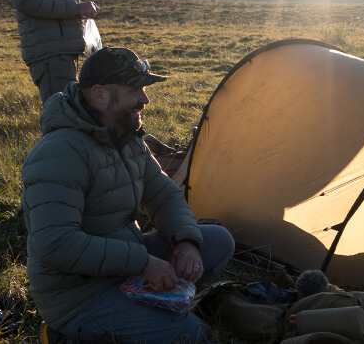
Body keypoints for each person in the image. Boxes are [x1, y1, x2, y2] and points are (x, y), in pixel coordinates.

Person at [21, 47, 234, 342]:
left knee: (217, 242)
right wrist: (143, 263)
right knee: (192, 337)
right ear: (100, 95)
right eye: (135, 89)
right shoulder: (60, 152)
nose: (145, 99)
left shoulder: (126, 138)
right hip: (78, 294)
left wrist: (185, 240)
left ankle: (147, 308)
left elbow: (163, 195)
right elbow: (56, 244)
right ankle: (67, 334)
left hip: (124, 262)